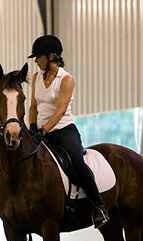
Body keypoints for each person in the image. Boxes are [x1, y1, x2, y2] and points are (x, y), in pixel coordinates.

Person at [28, 35, 110, 228]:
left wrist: (45, 130)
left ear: (50, 57)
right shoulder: (36, 77)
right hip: (40, 130)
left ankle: (99, 207)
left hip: (63, 130)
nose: (35, 61)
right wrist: (32, 126)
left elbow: (60, 110)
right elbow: (33, 105)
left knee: (77, 162)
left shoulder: (66, 79)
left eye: (38, 57)